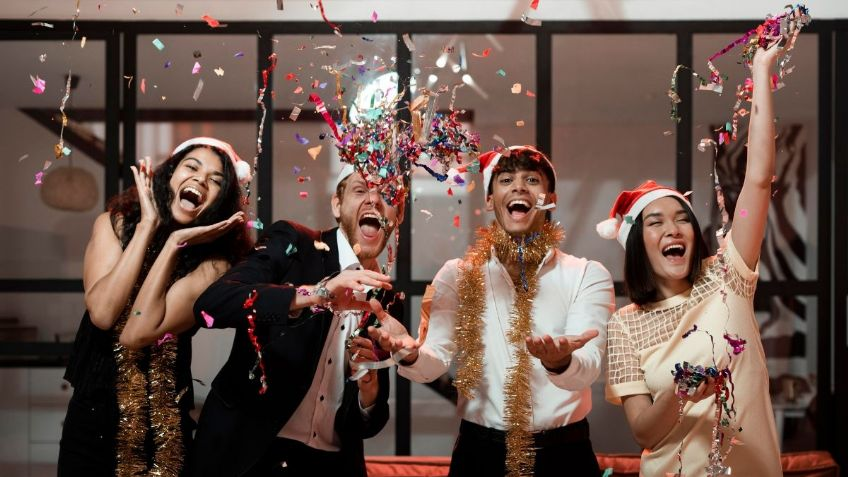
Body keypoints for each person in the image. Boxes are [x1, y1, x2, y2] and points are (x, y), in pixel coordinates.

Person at [369, 146, 614, 476]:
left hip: (564, 455)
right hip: (480, 454)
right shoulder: (456, 274)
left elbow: (589, 367)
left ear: (550, 199)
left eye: (532, 180)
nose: (519, 187)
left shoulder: (587, 274)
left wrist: (561, 362)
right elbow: (432, 363)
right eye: (506, 180)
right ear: (489, 199)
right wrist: (409, 353)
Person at [598, 43, 785, 476]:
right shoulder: (624, 324)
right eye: (656, 223)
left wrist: (760, 70)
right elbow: (644, 433)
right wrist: (677, 394)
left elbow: (759, 180)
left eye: (682, 218)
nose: (674, 229)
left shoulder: (728, 276)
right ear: (637, 245)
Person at [190, 163, 406, 477]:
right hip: (246, 456)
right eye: (360, 190)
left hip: (329, 466)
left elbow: (367, 425)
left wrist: (369, 391)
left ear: (398, 215)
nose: (374, 200)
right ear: (337, 204)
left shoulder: (386, 300)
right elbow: (212, 304)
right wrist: (317, 294)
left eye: (386, 194)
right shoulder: (293, 244)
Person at [58, 137, 253, 476]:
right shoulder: (114, 224)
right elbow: (102, 314)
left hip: (162, 431)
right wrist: (146, 227)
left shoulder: (214, 264)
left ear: (220, 201)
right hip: (91, 416)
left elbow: (138, 332)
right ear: (170, 174)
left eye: (215, 180)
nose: (200, 180)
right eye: (192, 167)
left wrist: (175, 244)